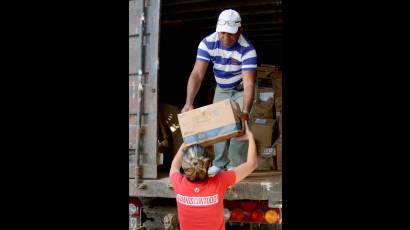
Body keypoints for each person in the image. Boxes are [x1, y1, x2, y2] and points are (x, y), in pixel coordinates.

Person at [181, 9, 257, 176]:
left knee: (240, 126)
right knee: (219, 124)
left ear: (240, 31)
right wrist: (189, 102)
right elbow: (197, 74)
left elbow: (250, 83)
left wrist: (245, 111)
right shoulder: (207, 43)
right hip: (222, 87)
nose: (225, 38)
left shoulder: (247, 49)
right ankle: (219, 163)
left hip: (241, 88)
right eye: (222, 33)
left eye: (230, 34)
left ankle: (235, 165)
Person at [169, 122, 257, 230]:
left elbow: (174, 167)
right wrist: (250, 136)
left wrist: (185, 144)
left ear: (185, 166)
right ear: (209, 165)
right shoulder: (219, 181)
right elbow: (252, 164)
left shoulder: (178, 183)